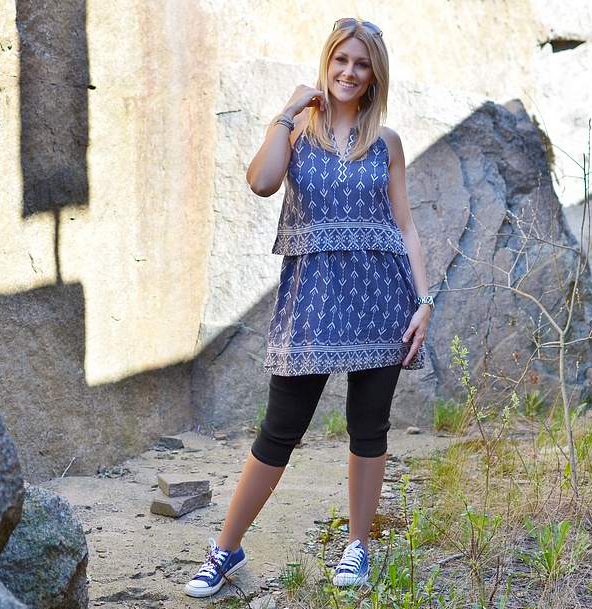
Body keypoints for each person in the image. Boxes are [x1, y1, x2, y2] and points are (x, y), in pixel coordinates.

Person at [184, 17, 433, 598]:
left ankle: (357, 547)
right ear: (327, 62)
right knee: (279, 430)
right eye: (341, 60)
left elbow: (406, 226)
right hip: (313, 301)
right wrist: (287, 112)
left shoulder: (387, 142)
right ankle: (226, 548)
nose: (349, 72)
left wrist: (424, 302)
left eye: (362, 64)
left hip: (382, 299)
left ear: (374, 75)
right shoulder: (297, 129)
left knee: (368, 428)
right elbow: (261, 182)